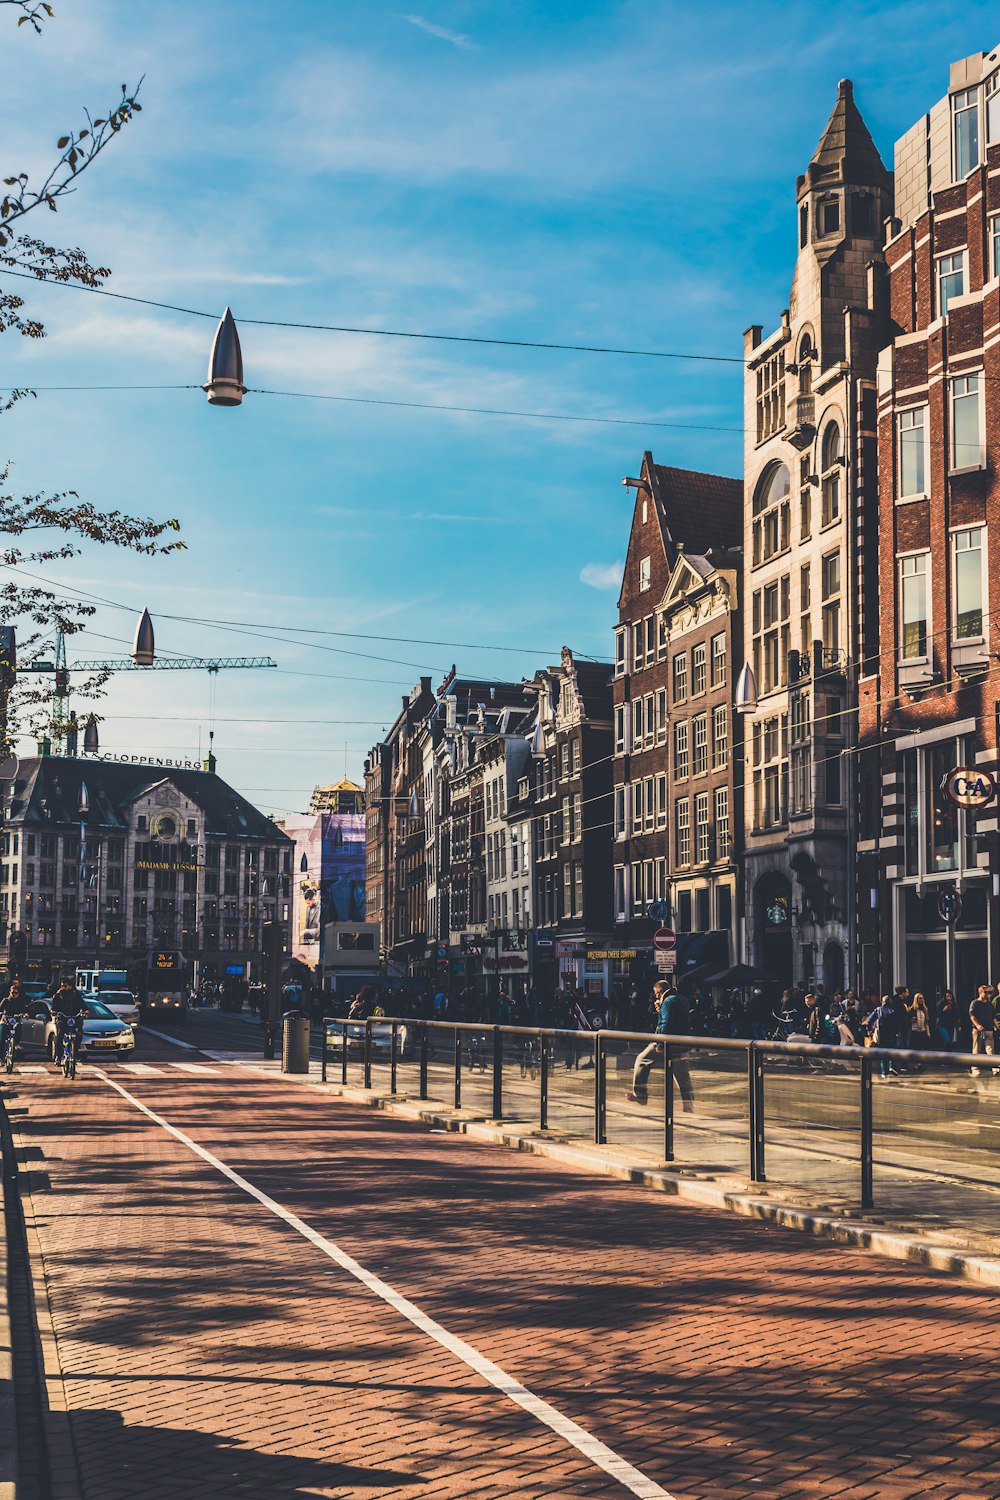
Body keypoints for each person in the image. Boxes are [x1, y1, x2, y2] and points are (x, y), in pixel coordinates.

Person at [627, 981, 694, 1111]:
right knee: (682, 1076)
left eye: (656, 994)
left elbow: (666, 1023)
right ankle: (688, 1105)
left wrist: (660, 1043)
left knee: (642, 1060)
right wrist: (660, 1009)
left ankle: (640, 1095)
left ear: (660, 992)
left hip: (667, 1042)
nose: (655, 998)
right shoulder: (683, 999)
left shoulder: (667, 1002)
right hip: (682, 1043)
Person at [52, 978, 86, 1063]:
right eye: (62, 986)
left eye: (65, 986)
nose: (63, 988)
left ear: (70, 986)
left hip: (75, 1018)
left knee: (79, 1034)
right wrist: (54, 1012)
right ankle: (58, 1056)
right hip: (63, 1019)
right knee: (59, 1036)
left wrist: (86, 1011)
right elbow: (53, 1007)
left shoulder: (76, 995)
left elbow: (83, 1005)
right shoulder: (58, 995)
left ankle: (75, 1053)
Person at [969, 985, 997, 1076]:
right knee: (976, 1048)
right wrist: (977, 1025)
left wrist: (996, 1025)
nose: (987, 994)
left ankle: (995, 1068)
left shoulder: (989, 1004)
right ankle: (975, 1069)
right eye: (985, 992)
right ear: (980, 992)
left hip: (989, 1029)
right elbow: (972, 1015)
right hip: (978, 1029)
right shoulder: (975, 1003)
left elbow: (993, 1016)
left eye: (988, 992)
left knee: (990, 1049)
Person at [0, 981, 28, 1060]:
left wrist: (25, 1014)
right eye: (13, 993)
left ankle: (16, 1043)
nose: (14, 994)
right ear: (9, 992)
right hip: (6, 1020)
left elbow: (24, 1010)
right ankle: (1, 1058)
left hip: (15, 1020)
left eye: (16, 993)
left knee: (19, 1026)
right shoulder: (5, 1001)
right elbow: (0, 1009)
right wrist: (3, 1014)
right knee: (2, 1039)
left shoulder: (20, 1001)